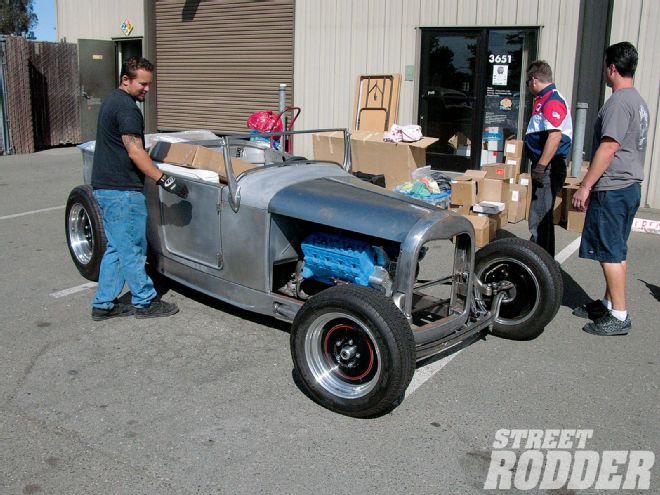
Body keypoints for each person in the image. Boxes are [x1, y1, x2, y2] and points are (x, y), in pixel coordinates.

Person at [90, 56, 188, 321]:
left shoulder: (113, 101)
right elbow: (135, 152)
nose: (147, 89)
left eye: (149, 85)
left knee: (117, 247)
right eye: (142, 84)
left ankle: (103, 304)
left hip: (105, 187)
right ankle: (145, 302)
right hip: (122, 191)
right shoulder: (126, 108)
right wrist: (164, 179)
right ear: (126, 80)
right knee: (133, 247)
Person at [571, 42, 649, 336]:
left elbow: (610, 146)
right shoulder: (638, 101)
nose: (605, 71)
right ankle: (607, 303)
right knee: (616, 249)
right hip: (629, 186)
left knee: (610, 253)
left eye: (605, 66)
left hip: (614, 188)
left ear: (612, 68)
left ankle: (619, 314)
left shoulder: (618, 102)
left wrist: (585, 186)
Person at [524, 61, 573, 256]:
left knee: (539, 218)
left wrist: (541, 167)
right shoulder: (544, 99)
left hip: (549, 167)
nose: (528, 86)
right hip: (545, 165)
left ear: (535, 80)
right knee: (541, 218)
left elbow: (555, 136)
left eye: (528, 81)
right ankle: (544, 260)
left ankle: (538, 264)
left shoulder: (551, 99)